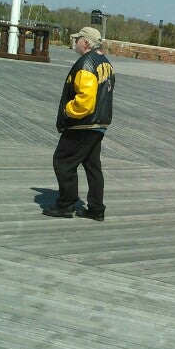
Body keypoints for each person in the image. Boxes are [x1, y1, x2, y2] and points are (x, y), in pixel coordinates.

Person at [43, 26, 115, 220]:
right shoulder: (105, 63)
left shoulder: (86, 64)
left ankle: (66, 204)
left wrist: (68, 110)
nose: (75, 43)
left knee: (63, 161)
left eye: (77, 40)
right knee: (93, 166)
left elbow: (85, 100)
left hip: (82, 124)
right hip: (99, 123)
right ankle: (96, 209)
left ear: (85, 42)